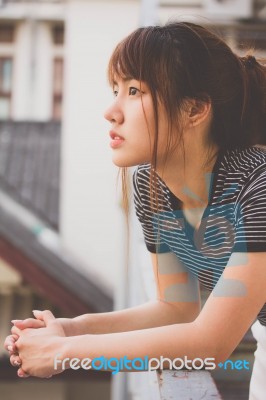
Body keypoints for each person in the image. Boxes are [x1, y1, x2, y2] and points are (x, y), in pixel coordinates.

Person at [4, 21, 266, 399]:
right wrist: (72, 330)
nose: (111, 111)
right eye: (115, 90)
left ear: (194, 109)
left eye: (134, 91)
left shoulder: (257, 186)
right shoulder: (153, 186)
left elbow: (211, 343)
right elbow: (176, 308)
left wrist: (64, 353)